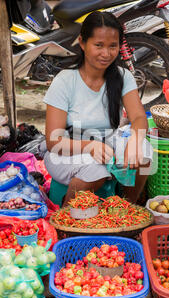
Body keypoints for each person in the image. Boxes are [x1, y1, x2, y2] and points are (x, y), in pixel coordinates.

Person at [43, 11, 153, 206]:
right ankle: (66, 218)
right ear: (83, 43)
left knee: (144, 152)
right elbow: (53, 141)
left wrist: (136, 140)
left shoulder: (122, 76)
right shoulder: (65, 81)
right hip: (66, 150)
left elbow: (138, 118)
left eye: (113, 46)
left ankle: (127, 207)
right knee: (95, 170)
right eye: (98, 45)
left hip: (105, 144)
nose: (106, 53)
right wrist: (89, 147)